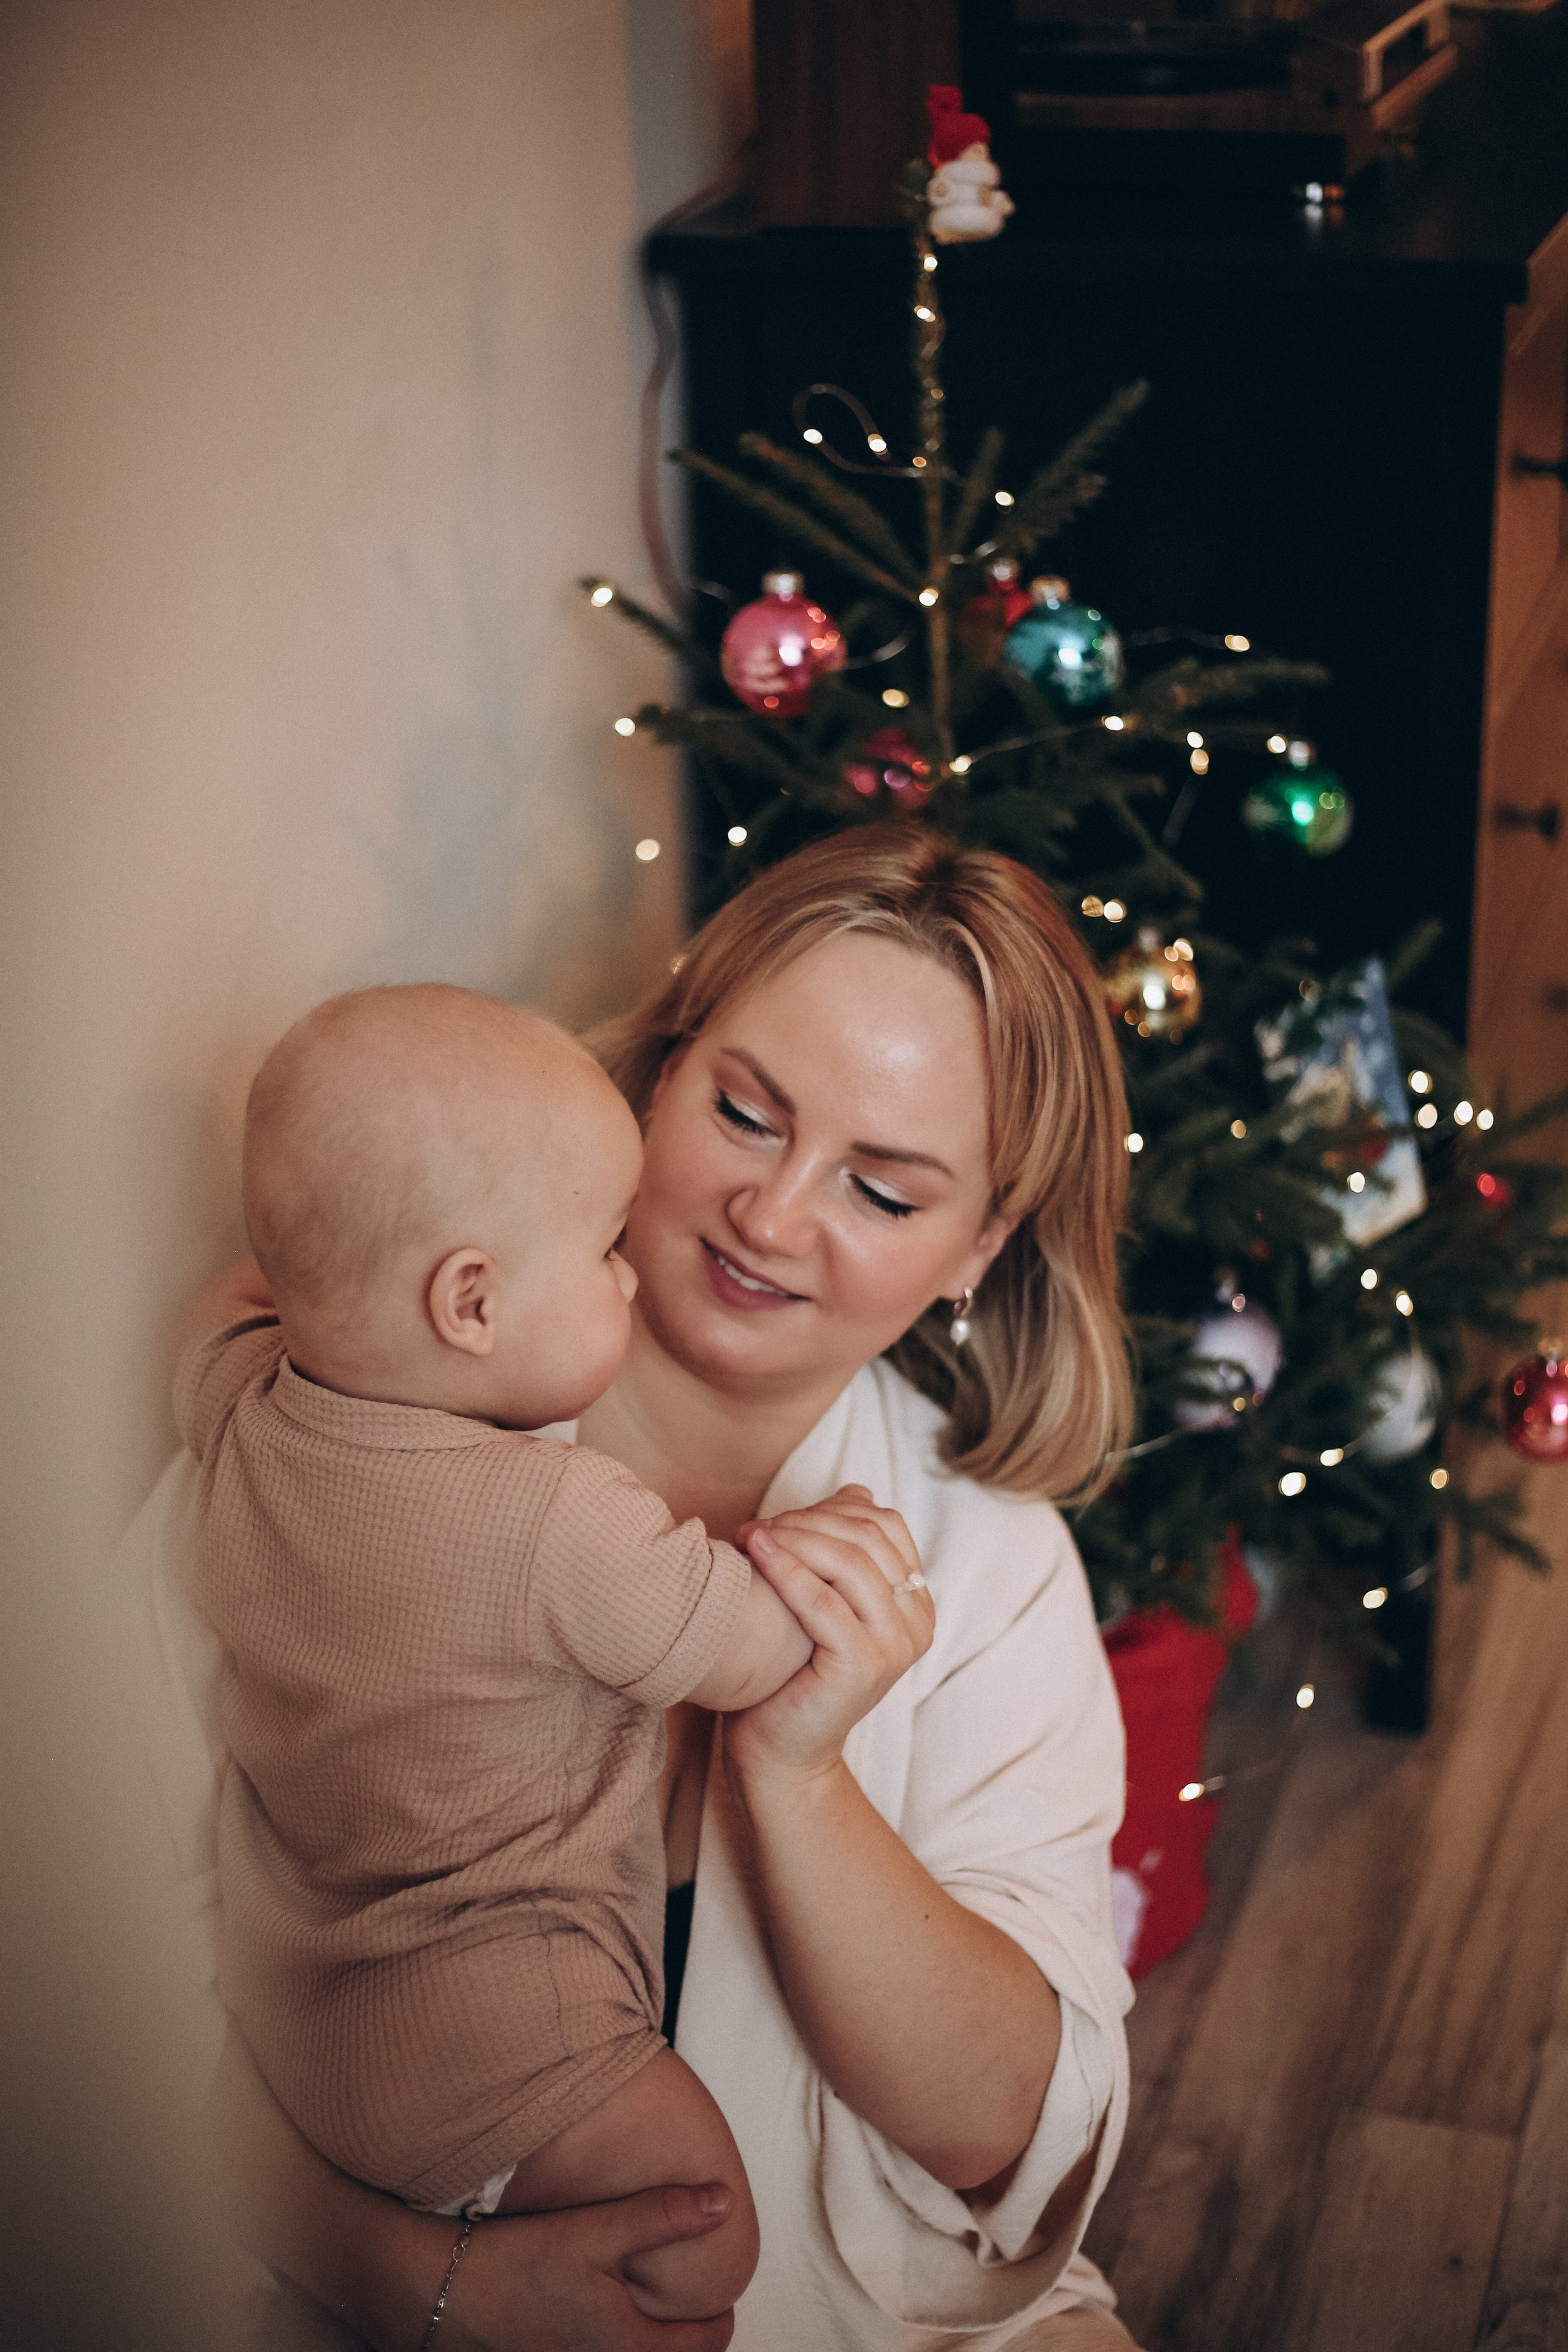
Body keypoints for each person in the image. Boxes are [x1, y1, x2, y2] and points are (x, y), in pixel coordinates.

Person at [127, 823, 1145, 2351]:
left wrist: (799, 1780)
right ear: (656, 1074)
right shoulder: (320, 1456)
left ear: (974, 1250)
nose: (773, 1215)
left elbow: (1010, 2135)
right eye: (744, 1111)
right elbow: (93, 2000)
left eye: (881, 1192)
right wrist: (424, 2288)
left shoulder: (989, 1565)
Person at [176, 984, 932, 2326]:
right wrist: (833, 1544)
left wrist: (324, 1279)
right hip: (503, 2025)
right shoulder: (556, 1523)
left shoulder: (239, 1413)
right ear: (468, 1302)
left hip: (296, 2017)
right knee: (703, 2241)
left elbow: (225, 1309)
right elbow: (753, 1650)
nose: (630, 1274)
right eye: (599, 1253)